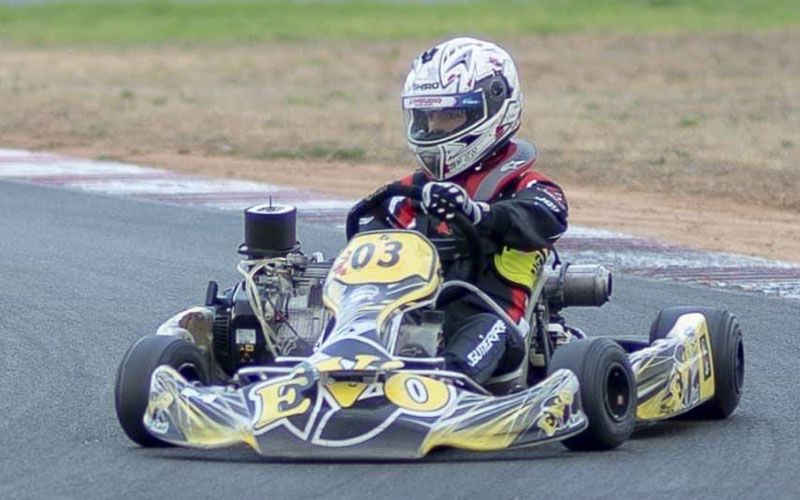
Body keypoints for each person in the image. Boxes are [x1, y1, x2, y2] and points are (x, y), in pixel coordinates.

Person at [359, 37, 568, 386]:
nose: (437, 127)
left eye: (451, 114)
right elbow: (372, 241)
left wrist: (479, 214)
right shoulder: (410, 192)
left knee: (486, 329)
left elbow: (545, 217)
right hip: (407, 317)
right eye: (428, 116)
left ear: (495, 107)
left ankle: (448, 386)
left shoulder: (526, 186)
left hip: (490, 319)